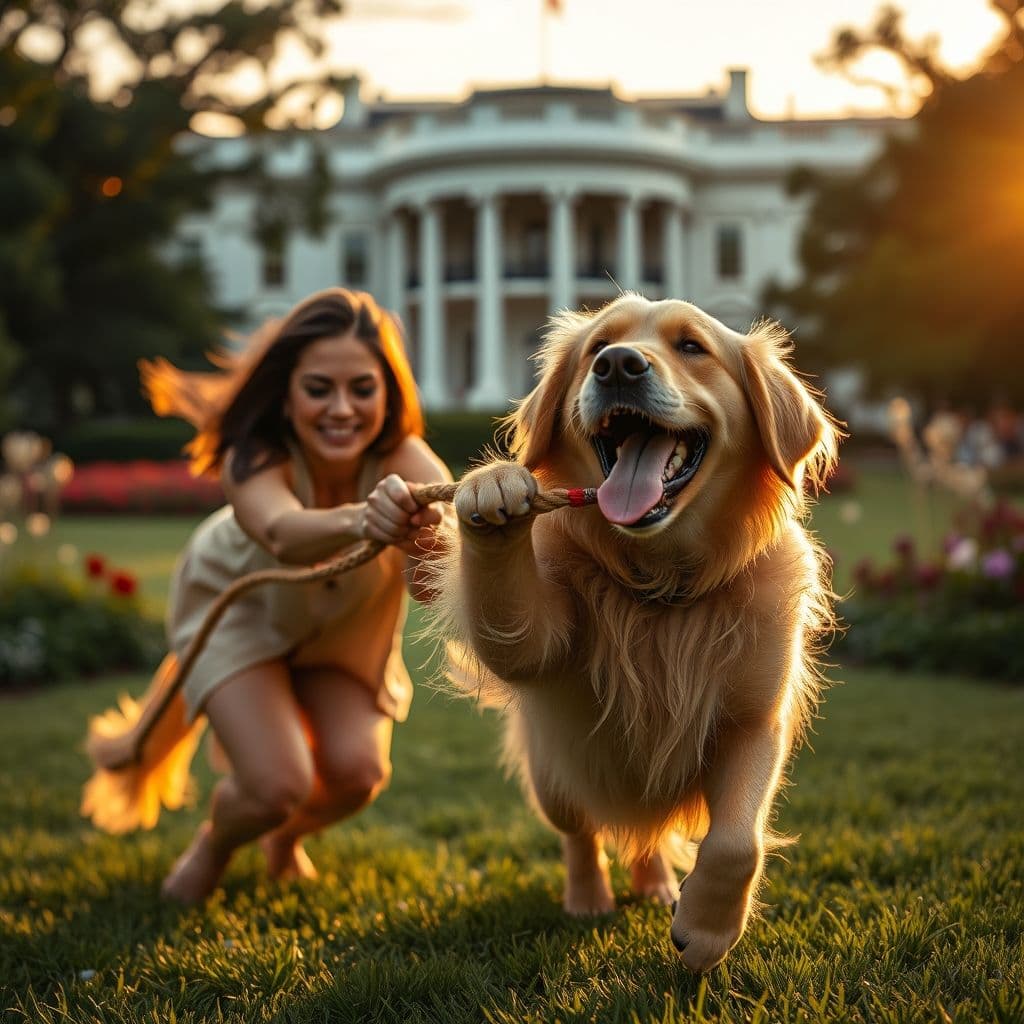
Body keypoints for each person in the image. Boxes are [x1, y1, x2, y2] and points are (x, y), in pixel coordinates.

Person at [81, 287, 451, 904]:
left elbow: (433, 589)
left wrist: (427, 539)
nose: (342, 408)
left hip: (341, 628)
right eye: (318, 388)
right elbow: (281, 533)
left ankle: (281, 840)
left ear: (389, 394)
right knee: (277, 782)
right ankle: (216, 845)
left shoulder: (410, 460)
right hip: (236, 606)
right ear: (286, 391)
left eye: (362, 388)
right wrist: (369, 519)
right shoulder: (253, 454)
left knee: (358, 775)